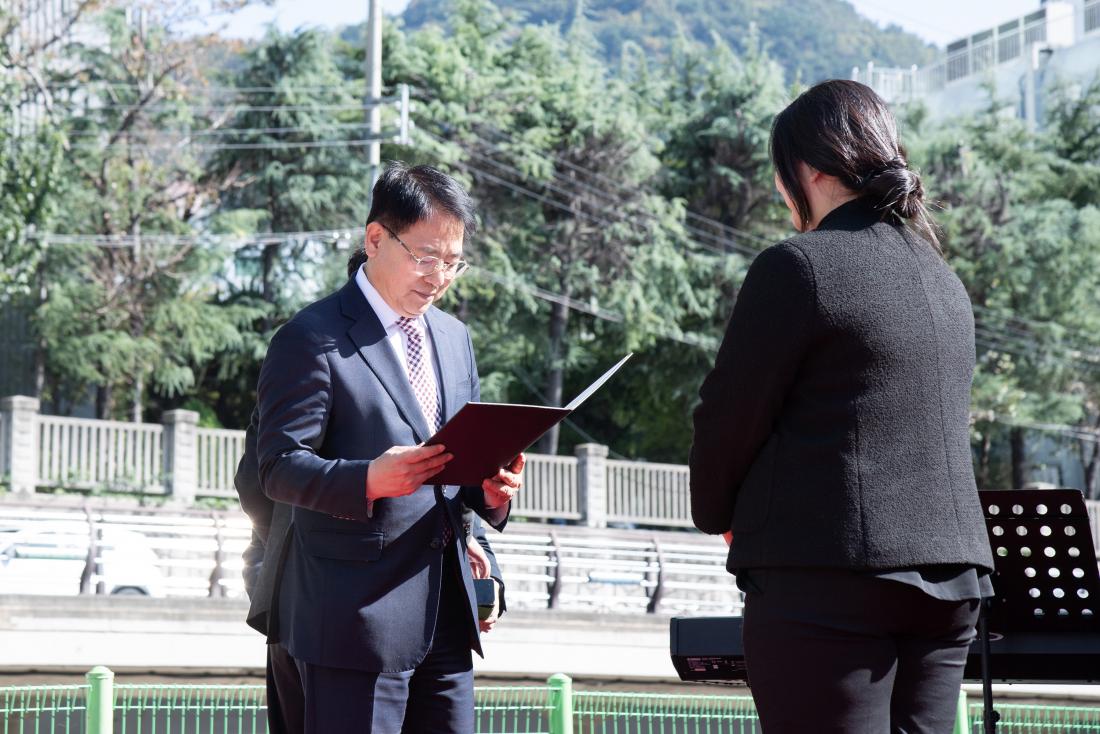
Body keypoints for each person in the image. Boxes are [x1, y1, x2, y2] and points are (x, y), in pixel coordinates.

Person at [689, 79, 994, 733]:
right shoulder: (944, 280)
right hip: (951, 581)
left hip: (829, 577)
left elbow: (728, 414)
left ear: (808, 169)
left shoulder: (798, 266)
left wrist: (716, 510)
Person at [255, 162, 524, 734]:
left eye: (453, 262)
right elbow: (277, 467)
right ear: (376, 238)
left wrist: (490, 492)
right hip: (352, 620)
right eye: (425, 257)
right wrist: (369, 480)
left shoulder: (454, 338)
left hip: (447, 615)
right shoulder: (311, 337)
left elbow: (458, 467)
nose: (439, 277)